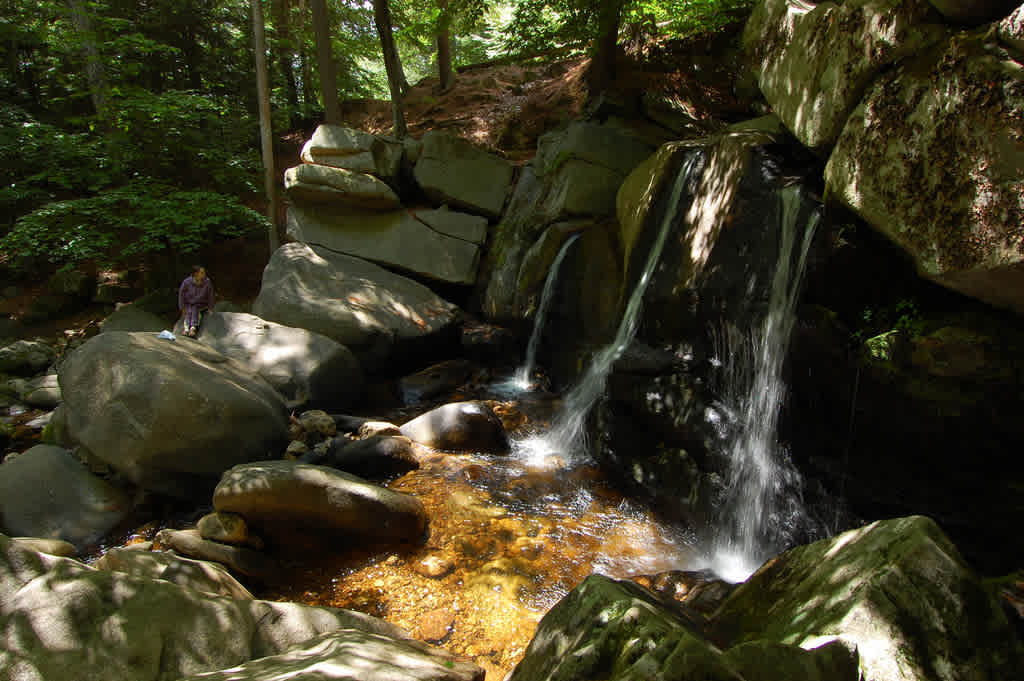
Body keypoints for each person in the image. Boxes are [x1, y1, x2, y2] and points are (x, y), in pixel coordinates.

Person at [178, 265, 215, 337]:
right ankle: (186, 329)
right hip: (189, 303)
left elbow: (210, 295)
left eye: (204, 272)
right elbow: (181, 295)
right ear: (196, 273)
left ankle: (193, 328)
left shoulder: (207, 282)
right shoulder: (187, 281)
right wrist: (182, 308)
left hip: (201, 304)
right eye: (202, 272)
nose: (204, 274)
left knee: (195, 309)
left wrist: (210, 308)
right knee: (189, 310)